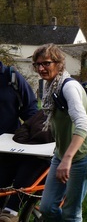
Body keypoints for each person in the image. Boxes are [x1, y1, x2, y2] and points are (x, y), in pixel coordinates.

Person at [31, 44, 87, 221]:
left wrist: (67, 159)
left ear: (59, 64)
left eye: (46, 63)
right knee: (47, 207)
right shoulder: (51, 86)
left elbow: (83, 125)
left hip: (79, 157)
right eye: (37, 64)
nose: (41, 68)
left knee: (71, 213)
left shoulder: (68, 87)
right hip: (60, 154)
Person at [0, 61, 39, 222]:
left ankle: (10, 212)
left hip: (7, 148)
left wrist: (34, 136)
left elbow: (30, 110)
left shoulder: (11, 77)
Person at [0, 112, 52, 222]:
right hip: (27, 150)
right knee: (7, 160)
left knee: (32, 164)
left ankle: (11, 211)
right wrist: (26, 145)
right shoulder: (43, 113)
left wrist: (35, 145)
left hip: (46, 161)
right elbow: (24, 127)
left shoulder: (69, 118)